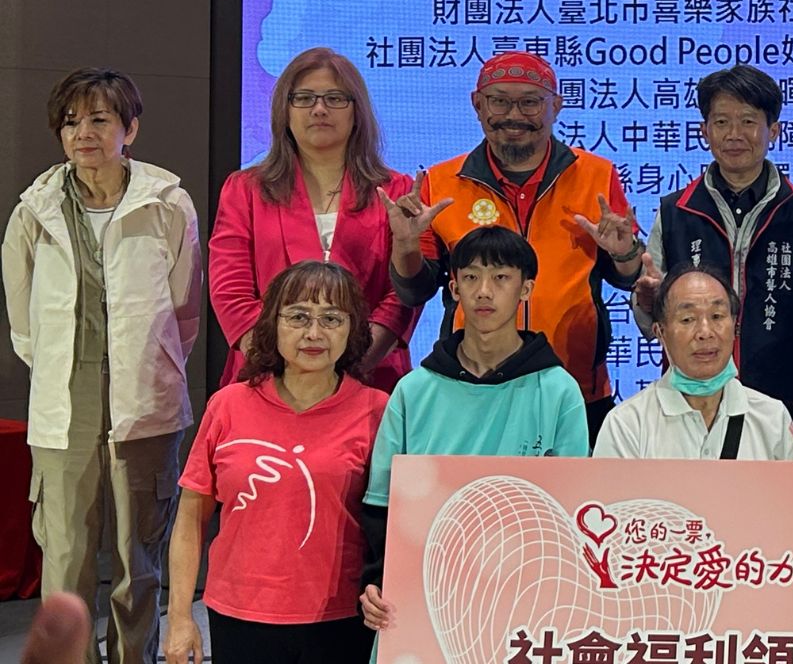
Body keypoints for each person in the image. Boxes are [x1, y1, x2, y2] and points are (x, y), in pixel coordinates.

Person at [3, 68, 200, 664]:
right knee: (65, 558)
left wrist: (149, 364)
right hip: (65, 399)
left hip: (146, 398)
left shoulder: (166, 203)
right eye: (70, 122)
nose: (82, 133)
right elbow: (23, 321)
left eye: (99, 119)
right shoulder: (34, 210)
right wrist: (67, 366)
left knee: (139, 559)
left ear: (129, 128)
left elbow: (184, 310)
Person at [386, 51, 646, 442]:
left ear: (556, 106)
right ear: (477, 105)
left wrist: (624, 253)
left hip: (575, 389)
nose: (514, 115)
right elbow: (415, 290)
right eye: (499, 101)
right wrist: (405, 245)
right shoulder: (441, 183)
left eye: (530, 102)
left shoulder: (596, 175)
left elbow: (628, 277)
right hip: (469, 388)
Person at [359, 226, 589, 633]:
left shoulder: (558, 390)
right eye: (470, 277)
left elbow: (572, 508)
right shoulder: (414, 390)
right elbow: (381, 504)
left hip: (526, 601)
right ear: (454, 289)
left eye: (500, 277)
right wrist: (376, 583)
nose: (484, 291)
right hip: (421, 599)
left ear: (526, 289)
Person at [164, 262, 388, 663]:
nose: (314, 333)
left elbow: (392, 523)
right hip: (239, 614)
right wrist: (179, 617)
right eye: (298, 317)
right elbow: (190, 519)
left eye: (331, 318)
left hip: (340, 618)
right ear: (273, 323)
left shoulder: (377, 411)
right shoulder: (228, 405)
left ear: (352, 329)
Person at [643, 65, 793, 429]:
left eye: (748, 121)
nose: (734, 134)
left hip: (786, 407)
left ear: (773, 131)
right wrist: (645, 300)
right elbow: (651, 321)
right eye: (721, 122)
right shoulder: (675, 212)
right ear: (704, 131)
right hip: (689, 405)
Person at [209, 47, 418, 392]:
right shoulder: (246, 189)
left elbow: (402, 293)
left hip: (370, 379)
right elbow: (230, 290)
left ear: (357, 111)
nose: (319, 109)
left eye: (335, 98)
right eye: (304, 98)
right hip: (266, 378)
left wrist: (350, 368)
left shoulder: (396, 190)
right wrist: (284, 367)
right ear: (285, 110)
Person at [594, 265, 793, 461]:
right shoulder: (627, 425)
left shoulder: (773, 419)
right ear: (660, 332)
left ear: (735, 327)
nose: (705, 332)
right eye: (687, 319)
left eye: (717, 316)